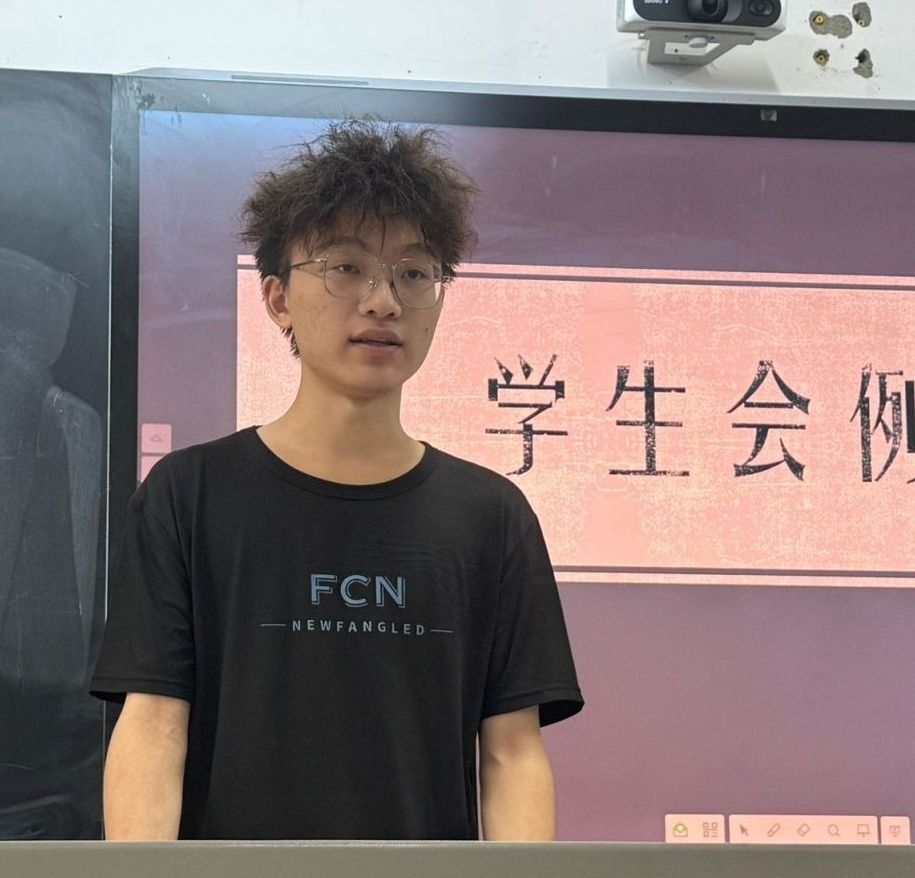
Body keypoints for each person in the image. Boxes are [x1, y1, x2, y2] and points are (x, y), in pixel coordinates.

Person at [89, 120, 583, 840]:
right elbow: (155, 727)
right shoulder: (189, 495)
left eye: (414, 273)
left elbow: (511, 754)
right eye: (346, 267)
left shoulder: (491, 516)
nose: (383, 301)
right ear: (278, 298)